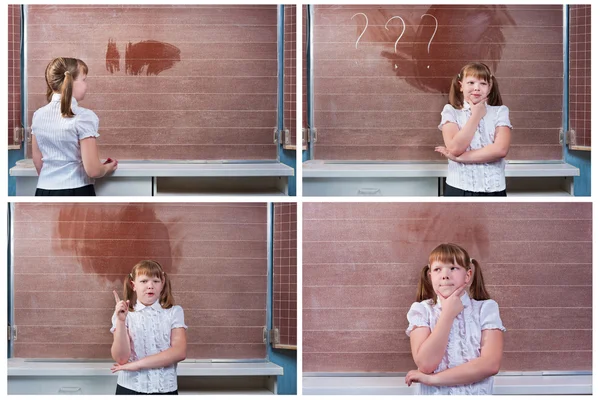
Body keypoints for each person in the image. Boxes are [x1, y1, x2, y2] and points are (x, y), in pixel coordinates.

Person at [405, 243, 505, 394]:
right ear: (430, 276)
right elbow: (426, 364)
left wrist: (433, 379)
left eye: (453, 268)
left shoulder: (486, 309)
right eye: (437, 269)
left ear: (468, 275)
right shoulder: (421, 311)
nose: (445, 275)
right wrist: (447, 314)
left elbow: (490, 364)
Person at [31, 57, 118, 196]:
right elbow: (93, 170)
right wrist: (108, 167)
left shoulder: (38, 115)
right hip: (77, 190)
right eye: (84, 80)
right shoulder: (84, 116)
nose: (86, 85)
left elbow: (38, 162)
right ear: (70, 82)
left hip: (43, 190)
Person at [435, 62, 512, 196]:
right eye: (471, 82)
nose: (477, 88)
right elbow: (455, 148)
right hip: (459, 188)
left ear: (490, 87)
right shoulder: (451, 111)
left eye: (483, 83)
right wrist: (476, 115)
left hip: (494, 189)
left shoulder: (500, 111)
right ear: (461, 86)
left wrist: (459, 159)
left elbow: (500, 149)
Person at [111, 260, 187, 395]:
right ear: (133, 285)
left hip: (166, 390)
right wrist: (121, 322)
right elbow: (121, 359)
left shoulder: (174, 312)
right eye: (144, 281)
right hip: (129, 389)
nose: (150, 286)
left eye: (156, 281)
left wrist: (136, 364)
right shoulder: (123, 315)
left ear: (162, 284)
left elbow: (179, 352)